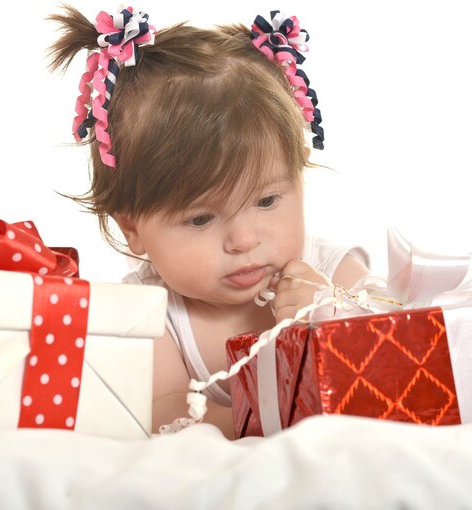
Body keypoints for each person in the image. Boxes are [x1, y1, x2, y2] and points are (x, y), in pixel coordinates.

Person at [48, 5, 370, 438]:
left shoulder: (334, 274)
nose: (243, 239)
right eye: (200, 218)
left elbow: (403, 354)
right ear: (132, 228)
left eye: (267, 199)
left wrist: (333, 319)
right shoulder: (151, 315)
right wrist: (281, 420)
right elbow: (172, 418)